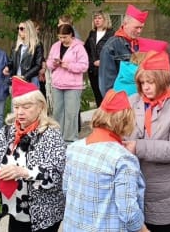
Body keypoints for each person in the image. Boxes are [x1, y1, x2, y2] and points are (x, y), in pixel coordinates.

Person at [124, 50, 170, 232]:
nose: (146, 87)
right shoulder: (133, 102)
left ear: (163, 80)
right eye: (142, 82)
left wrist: (137, 146)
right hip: (137, 190)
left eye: (151, 82)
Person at [0, 76, 66, 232]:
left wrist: (23, 172)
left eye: (27, 106)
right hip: (15, 208)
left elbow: (56, 176)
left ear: (41, 107)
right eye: (16, 107)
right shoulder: (8, 131)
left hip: (44, 212)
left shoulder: (50, 135)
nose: (20, 112)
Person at [63, 89, 148, 232]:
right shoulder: (123, 159)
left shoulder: (74, 148)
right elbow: (128, 210)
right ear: (125, 121)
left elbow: (66, 189)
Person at [99, 4, 158, 96]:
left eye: (141, 28)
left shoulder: (140, 44)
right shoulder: (111, 46)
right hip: (122, 99)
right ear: (125, 24)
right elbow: (106, 82)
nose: (139, 31)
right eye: (136, 27)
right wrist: (112, 103)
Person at [46, 24, 88, 143]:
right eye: (60, 37)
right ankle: (57, 138)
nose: (62, 40)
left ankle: (70, 140)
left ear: (71, 35)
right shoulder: (55, 46)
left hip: (73, 85)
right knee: (57, 112)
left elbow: (84, 66)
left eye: (64, 37)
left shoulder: (78, 47)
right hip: (57, 84)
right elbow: (48, 62)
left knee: (71, 113)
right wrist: (53, 64)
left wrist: (67, 65)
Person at [84, 11, 115, 107]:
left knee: (106, 95)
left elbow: (114, 52)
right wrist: (90, 63)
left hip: (106, 70)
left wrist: (104, 61)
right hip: (93, 70)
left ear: (105, 20)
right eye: (95, 18)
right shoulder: (92, 33)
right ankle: (100, 116)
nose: (97, 20)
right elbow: (86, 50)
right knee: (97, 96)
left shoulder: (111, 34)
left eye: (99, 18)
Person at [3, 20, 44, 87]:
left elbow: (38, 65)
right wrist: (7, 67)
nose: (19, 30)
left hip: (31, 80)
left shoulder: (37, 45)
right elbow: (11, 61)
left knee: (31, 98)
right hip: (17, 79)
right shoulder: (16, 45)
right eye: (18, 28)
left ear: (29, 30)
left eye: (21, 28)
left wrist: (25, 76)